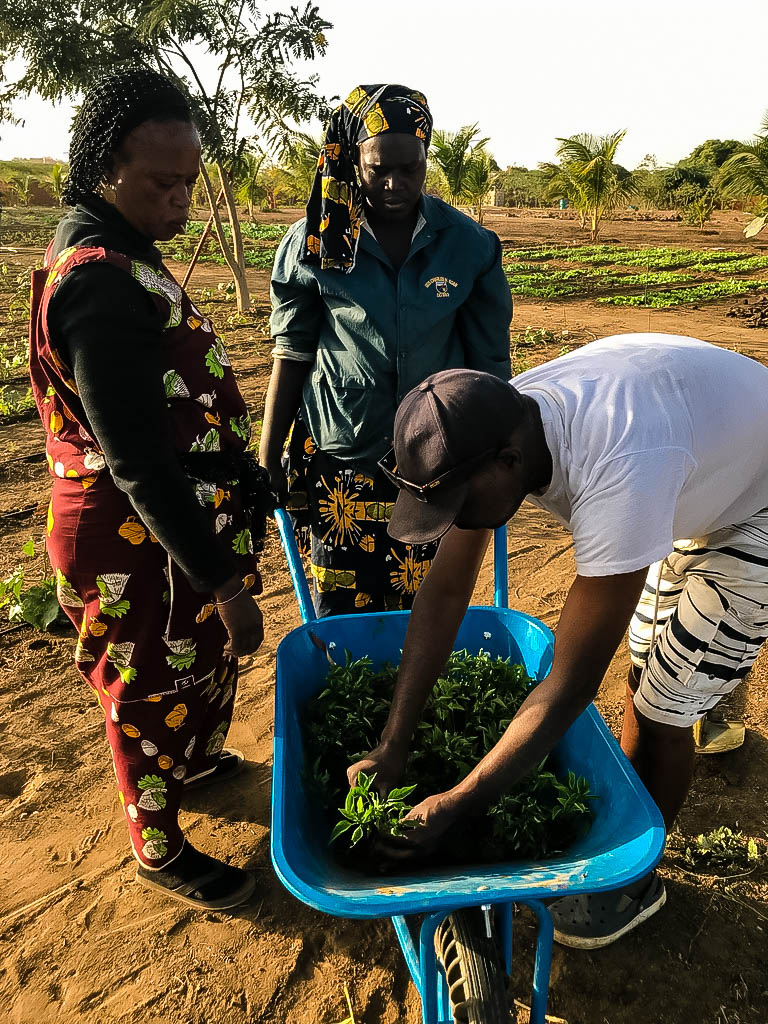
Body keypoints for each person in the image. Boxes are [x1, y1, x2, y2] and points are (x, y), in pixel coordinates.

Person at [348, 333, 768, 948]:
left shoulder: (618, 468)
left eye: (462, 503)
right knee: (645, 678)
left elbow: (570, 684)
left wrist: (459, 803)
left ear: (510, 465)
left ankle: (634, 879)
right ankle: (632, 819)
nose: (459, 520)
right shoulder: (495, 420)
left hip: (753, 505)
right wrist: (393, 744)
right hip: (689, 469)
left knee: (665, 707)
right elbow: (443, 593)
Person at [28, 67, 270, 911]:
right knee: (146, 691)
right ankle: (158, 845)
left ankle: (193, 765)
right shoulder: (97, 279)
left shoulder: (122, 251)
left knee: (188, 670)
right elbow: (135, 461)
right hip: (133, 535)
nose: (182, 203)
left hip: (163, 533)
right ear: (105, 171)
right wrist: (225, 581)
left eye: (189, 183)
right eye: (164, 184)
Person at [259, 83, 512, 616]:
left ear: (427, 160)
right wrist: (269, 454)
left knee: (430, 606)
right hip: (342, 453)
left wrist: (498, 454)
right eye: (379, 169)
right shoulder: (316, 241)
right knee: (343, 614)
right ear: (355, 160)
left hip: (435, 458)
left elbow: (489, 361)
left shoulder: (468, 247)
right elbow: (292, 350)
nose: (395, 184)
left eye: (411, 168)